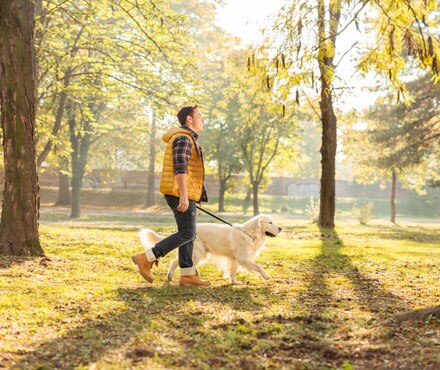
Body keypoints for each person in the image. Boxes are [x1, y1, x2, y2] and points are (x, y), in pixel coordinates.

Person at [132, 105, 211, 286]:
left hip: (184, 192)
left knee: (189, 233)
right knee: (188, 232)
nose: (203, 119)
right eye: (199, 115)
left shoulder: (187, 137)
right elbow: (180, 167)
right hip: (179, 193)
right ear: (189, 119)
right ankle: (147, 257)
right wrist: (184, 196)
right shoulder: (183, 138)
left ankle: (187, 274)